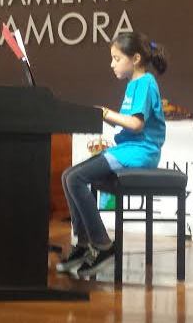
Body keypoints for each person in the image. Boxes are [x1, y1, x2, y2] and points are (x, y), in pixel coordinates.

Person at [56, 31, 168, 277]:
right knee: (68, 176)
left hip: (142, 152)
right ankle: (84, 244)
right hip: (128, 149)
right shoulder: (134, 84)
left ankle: (104, 245)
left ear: (135, 59)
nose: (112, 64)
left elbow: (136, 124)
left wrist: (105, 113)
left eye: (117, 59)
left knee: (75, 178)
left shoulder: (145, 82)